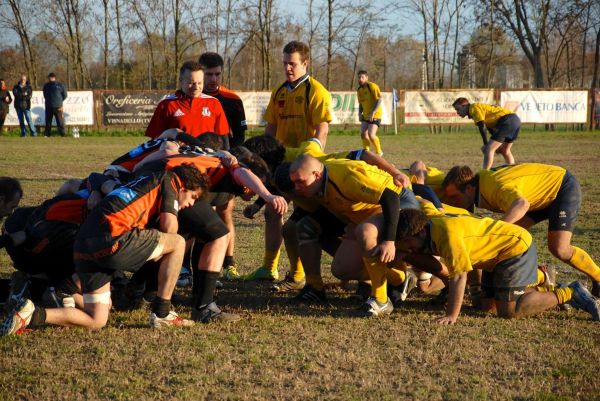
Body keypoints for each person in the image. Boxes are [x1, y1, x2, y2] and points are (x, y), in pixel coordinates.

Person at [0, 164, 208, 335]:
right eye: (193, 197)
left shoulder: (142, 183)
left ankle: (33, 314)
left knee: (97, 318)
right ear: (184, 187)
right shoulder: (169, 179)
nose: (190, 204)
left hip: (84, 244)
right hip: (111, 236)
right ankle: (162, 314)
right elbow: (169, 228)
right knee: (178, 242)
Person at [394, 208, 600, 323]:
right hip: (494, 256)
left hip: (514, 248)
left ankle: (570, 292)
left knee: (509, 311)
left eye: (408, 243)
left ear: (420, 232)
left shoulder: (447, 235)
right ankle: (543, 282)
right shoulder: (429, 227)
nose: (409, 249)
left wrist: (451, 315)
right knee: (486, 307)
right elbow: (470, 259)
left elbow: (459, 277)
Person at [442, 163, 600, 297]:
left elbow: (521, 204)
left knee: (559, 248)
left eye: (455, 198)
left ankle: (598, 277)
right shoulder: (479, 185)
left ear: (469, 188)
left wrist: (496, 230)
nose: (454, 203)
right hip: (536, 198)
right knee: (507, 244)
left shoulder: (494, 187)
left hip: (560, 188)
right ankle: (543, 278)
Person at [245, 40, 333, 281]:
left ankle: (298, 273)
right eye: (284, 63)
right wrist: (261, 159)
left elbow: (321, 130)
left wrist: (310, 159)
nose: (288, 68)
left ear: (305, 63)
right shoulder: (280, 91)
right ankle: (268, 267)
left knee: (300, 218)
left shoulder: (316, 91)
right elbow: (270, 129)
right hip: (279, 163)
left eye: (292, 64)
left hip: (303, 165)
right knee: (273, 211)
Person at [287, 154, 420, 313]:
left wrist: (389, 241)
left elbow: (390, 198)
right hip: (370, 209)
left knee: (364, 231)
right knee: (341, 269)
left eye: (299, 181)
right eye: (293, 182)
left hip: (399, 201)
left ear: (316, 175)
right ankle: (399, 278)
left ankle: (380, 299)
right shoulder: (317, 181)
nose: (296, 187)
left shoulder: (347, 177)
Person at [198, 52, 249, 279]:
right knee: (200, 214)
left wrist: (236, 167)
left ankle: (229, 263)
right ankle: (199, 264)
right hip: (197, 166)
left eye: (217, 74)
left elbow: (239, 140)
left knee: (225, 211)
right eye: (208, 74)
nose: (213, 79)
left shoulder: (232, 100)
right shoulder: (192, 98)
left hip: (224, 166)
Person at [145, 61, 230, 147]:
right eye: (191, 83)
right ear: (181, 81)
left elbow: (223, 136)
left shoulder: (214, 103)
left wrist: (227, 154)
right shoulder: (166, 105)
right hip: (178, 157)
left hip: (207, 157)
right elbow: (156, 138)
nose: (196, 87)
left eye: (200, 83)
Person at [452, 97, 520, 170]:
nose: (457, 112)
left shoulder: (473, 108)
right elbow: (490, 128)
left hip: (507, 120)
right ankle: (512, 170)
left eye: (458, 109)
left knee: (489, 149)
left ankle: (485, 172)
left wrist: (486, 144)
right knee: (504, 150)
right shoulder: (478, 110)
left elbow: (482, 127)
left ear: (464, 105)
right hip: (515, 120)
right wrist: (496, 143)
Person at [356, 70, 383, 155]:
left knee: (371, 135)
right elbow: (361, 103)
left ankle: (379, 151)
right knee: (363, 134)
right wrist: (360, 113)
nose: (360, 79)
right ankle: (366, 152)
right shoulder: (359, 90)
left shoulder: (372, 86)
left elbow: (379, 99)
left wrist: (373, 112)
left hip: (375, 114)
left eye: (362, 77)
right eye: (359, 77)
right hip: (366, 115)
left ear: (366, 78)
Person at [43, 73, 67, 137]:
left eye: (51, 77)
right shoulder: (46, 86)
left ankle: (62, 134)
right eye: (49, 77)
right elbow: (45, 95)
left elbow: (65, 95)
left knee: (60, 121)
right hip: (49, 106)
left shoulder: (60, 85)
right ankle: (47, 134)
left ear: (54, 77)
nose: (49, 78)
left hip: (58, 106)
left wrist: (59, 101)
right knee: (48, 121)